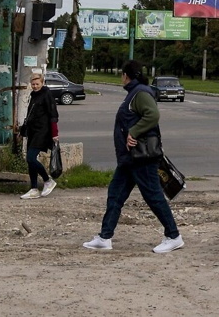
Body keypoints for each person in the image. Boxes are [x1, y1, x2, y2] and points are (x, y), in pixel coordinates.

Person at [83, 60, 183, 254]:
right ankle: (105, 237)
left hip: (141, 157)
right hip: (129, 159)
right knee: (115, 194)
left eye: (122, 74)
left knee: (153, 195)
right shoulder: (133, 93)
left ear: (126, 75)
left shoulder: (141, 93)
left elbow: (152, 115)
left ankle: (173, 236)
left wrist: (134, 132)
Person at [18, 71, 60, 199]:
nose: (35, 86)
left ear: (42, 83)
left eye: (37, 84)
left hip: (43, 132)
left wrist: (55, 133)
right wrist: (22, 132)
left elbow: (53, 115)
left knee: (31, 158)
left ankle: (48, 180)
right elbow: (30, 115)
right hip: (33, 131)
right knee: (30, 161)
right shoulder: (34, 95)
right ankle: (34, 189)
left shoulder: (46, 95)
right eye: (33, 84)